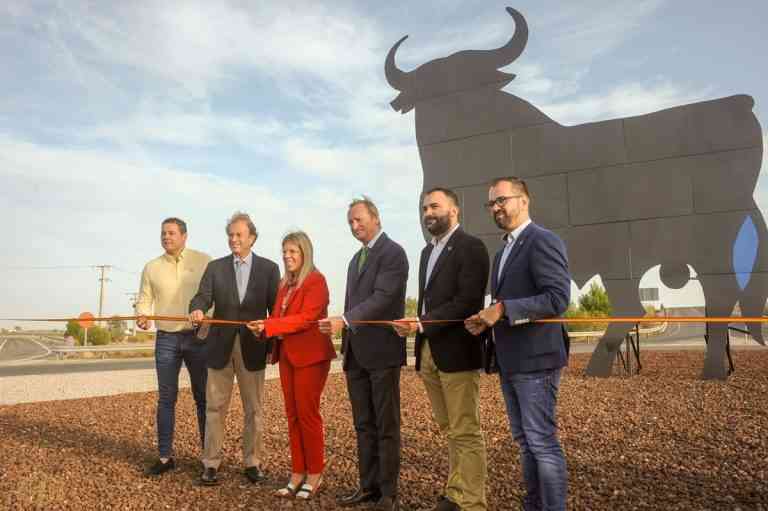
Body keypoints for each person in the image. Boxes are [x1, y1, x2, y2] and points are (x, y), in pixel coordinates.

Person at [465, 177, 571, 511]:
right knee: (526, 443)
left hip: (537, 360)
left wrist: (504, 308)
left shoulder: (542, 241)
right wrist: (486, 319)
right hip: (511, 360)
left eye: (502, 200)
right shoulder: (503, 252)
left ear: (524, 200)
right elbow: (505, 304)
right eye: (491, 203)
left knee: (541, 442)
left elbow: (557, 298)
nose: (496, 207)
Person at [392, 188, 489, 511]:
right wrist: (420, 329)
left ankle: (473, 501)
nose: (428, 212)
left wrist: (421, 323)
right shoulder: (426, 252)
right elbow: (428, 301)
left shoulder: (471, 248)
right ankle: (456, 491)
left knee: (465, 428)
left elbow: (467, 301)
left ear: (455, 210)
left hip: (457, 351)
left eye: (435, 206)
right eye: (424, 208)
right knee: (450, 428)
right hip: (430, 351)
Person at [319, 197, 408, 511]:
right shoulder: (355, 259)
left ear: (376, 217)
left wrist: (343, 320)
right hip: (356, 353)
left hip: (382, 352)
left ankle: (389, 494)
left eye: (359, 220)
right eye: (350, 223)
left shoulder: (393, 253)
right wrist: (343, 331)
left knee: (386, 425)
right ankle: (367, 487)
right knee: (363, 425)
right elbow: (349, 303)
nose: (354, 226)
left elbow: (383, 298)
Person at [189, 211, 280, 486]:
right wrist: (196, 309)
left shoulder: (269, 269)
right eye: (230, 235)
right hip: (219, 347)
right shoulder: (215, 268)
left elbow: (275, 310)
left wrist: (268, 331)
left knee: (254, 409)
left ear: (252, 237)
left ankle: (252, 462)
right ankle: (211, 463)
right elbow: (202, 296)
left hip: (253, 347)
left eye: (239, 234)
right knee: (215, 407)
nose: (233, 239)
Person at [247, 231, 336, 500]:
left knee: (308, 415)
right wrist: (261, 329)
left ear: (304, 253)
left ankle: (314, 473)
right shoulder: (284, 285)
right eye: (284, 252)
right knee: (292, 416)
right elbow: (276, 318)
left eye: (292, 252)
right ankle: (297, 472)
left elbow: (306, 319)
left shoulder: (316, 281)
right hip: (287, 356)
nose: (287, 257)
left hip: (311, 356)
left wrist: (270, 325)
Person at [136, 217, 211, 476]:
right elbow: (144, 299)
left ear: (184, 236)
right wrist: (142, 314)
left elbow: (212, 296)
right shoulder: (151, 267)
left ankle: (208, 458)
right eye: (163, 233)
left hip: (198, 338)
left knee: (203, 398)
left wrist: (207, 321)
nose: (166, 237)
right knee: (166, 399)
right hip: (166, 339)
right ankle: (165, 457)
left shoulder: (203, 261)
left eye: (171, 233)